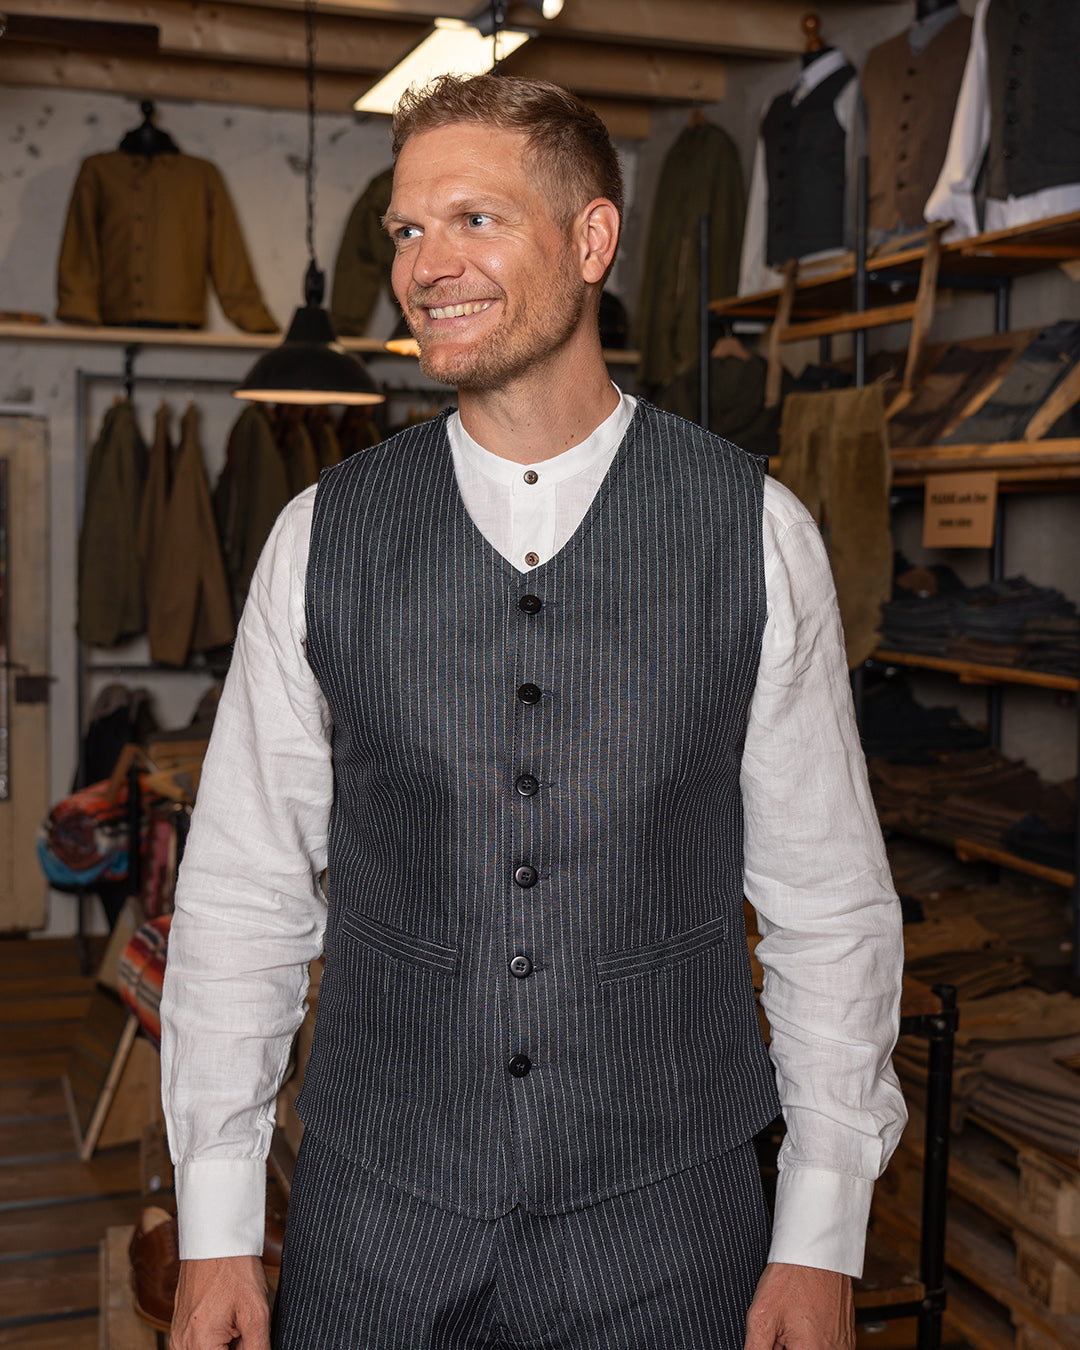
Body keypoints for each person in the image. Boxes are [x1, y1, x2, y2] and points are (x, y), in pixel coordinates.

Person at [160, 73, 906, 1350]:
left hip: (670, 1224)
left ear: (593, 241)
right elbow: (243, 898)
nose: (426, 265)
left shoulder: (754, 535)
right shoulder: (320, 539)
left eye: (475, 221)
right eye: (404, 230)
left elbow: (827, 905)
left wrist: (822, 1230)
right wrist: (217, 1227)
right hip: (378, 1217)